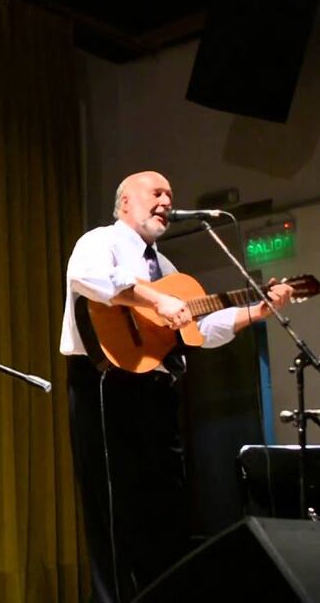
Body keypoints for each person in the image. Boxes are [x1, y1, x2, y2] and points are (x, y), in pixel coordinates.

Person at [59, 170, 293, 602]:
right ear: (125, 202)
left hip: (157, 393)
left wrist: (257, 312)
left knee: (165, 511)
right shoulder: (100, 241)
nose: (167, 199)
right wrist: (154, 299)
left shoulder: (167, 269)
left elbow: (203, 327)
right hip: (107, 386)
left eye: (171, 193)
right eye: (157, 192)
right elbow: (86, 279)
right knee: (113, 511)